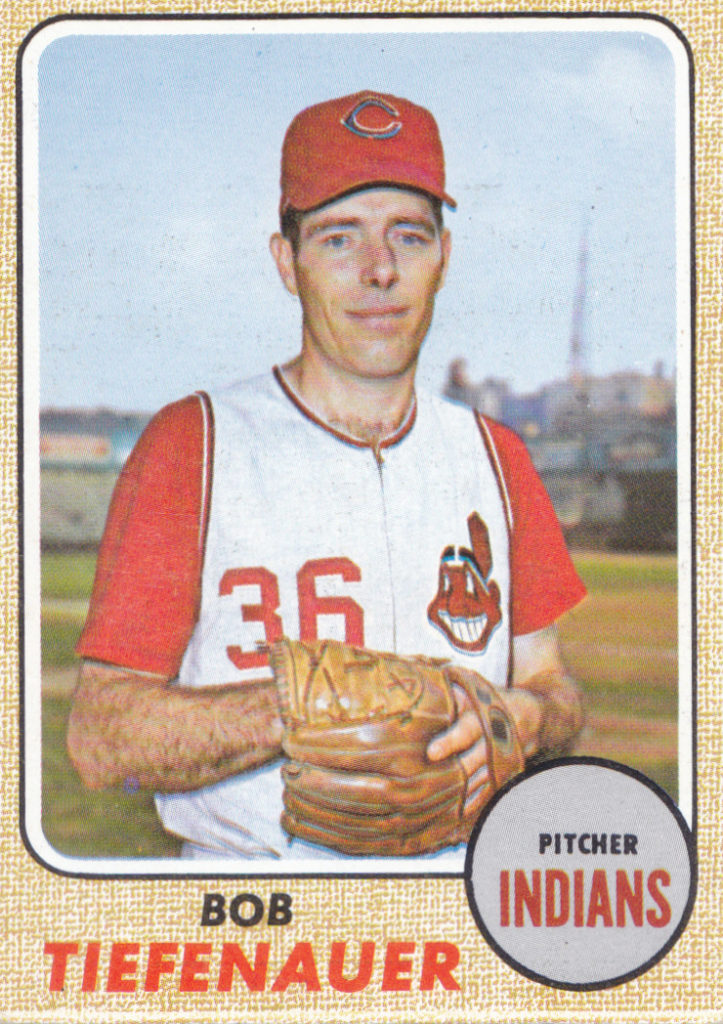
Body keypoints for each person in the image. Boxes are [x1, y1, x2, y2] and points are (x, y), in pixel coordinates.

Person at [67, 90, 586, 863]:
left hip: (460, 895)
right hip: (261, 899)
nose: (379, 271)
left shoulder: (496, 456)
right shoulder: (194, 445)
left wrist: (520, 720)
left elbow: (552, 688)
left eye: (407, 235)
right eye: (339, 238)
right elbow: (102, 738)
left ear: (444, 257)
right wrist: (310, 711)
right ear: (288, 262)